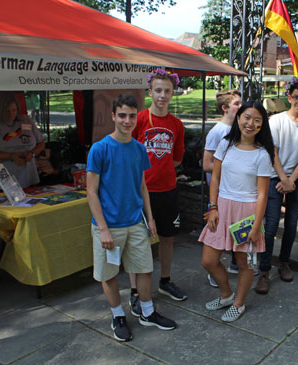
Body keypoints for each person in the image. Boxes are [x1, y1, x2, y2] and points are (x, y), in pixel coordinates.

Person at [86, 94, 176, 342]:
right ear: (113, 116)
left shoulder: (138, 148)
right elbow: (91, 192)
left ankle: (147, 312)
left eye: (132, 116)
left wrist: (150, 219)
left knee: (144, 269)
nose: (127, 121)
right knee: (109, 274)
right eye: (122, 115)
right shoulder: (100, 149)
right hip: (110, 226)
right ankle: (118, 316)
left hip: (136, 223)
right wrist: (103, 228)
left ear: (137, 117)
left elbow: (142, 187)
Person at [199, 100, 274, 322]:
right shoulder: (226, 144)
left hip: (248, 214)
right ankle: (226, 295)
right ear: (239, 118)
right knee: (208, 260)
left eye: (257, 120)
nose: (251, 123)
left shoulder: (263, 154)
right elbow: (216, 179)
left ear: (262, 125)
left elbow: (262, 194)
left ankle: (239, 303)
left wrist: (256, 225)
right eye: (247, 117)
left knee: (245, 263)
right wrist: (212, 207)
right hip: (222, 209)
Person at [129, 69, 186, 315]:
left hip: (168, 189)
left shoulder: (176, 124)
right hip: (141, 191)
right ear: (150, 92)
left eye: (167, 91)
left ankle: (164, 280)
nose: (162, 96)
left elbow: (175, 159)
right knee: (137, 241)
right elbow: (128, 151)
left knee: (167, 236)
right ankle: (134, 290)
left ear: (173, 94)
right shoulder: (139, 119)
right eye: (158, 91)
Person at [255, 75, 298, 294]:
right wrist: (283, 178)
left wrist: (291, 181)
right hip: (275, 177)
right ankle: (263, 270)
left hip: (296, 180)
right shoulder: (277, 121)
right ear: (289, 97)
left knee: (291, 225)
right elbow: (273, 152)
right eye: (296, 98)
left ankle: (284, 261)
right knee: (271, 226)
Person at [203, 89, 242, 287]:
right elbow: (207, 163)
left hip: (235, 191)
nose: (240, 106)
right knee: (217, 233)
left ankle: (236, 263)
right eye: (236, 103)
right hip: (218, 193)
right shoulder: (217, 132)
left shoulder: (240, 130)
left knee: (235, 228)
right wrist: (231, 169)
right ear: (225, 108)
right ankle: (214, 270)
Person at [0, 92, 45, 190]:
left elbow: (41, 142)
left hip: (29, 177)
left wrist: (32, 154)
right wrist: (11, 157)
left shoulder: (25, 120)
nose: (11, 114)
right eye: (7, 111)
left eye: (14, 110)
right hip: (4, 182)